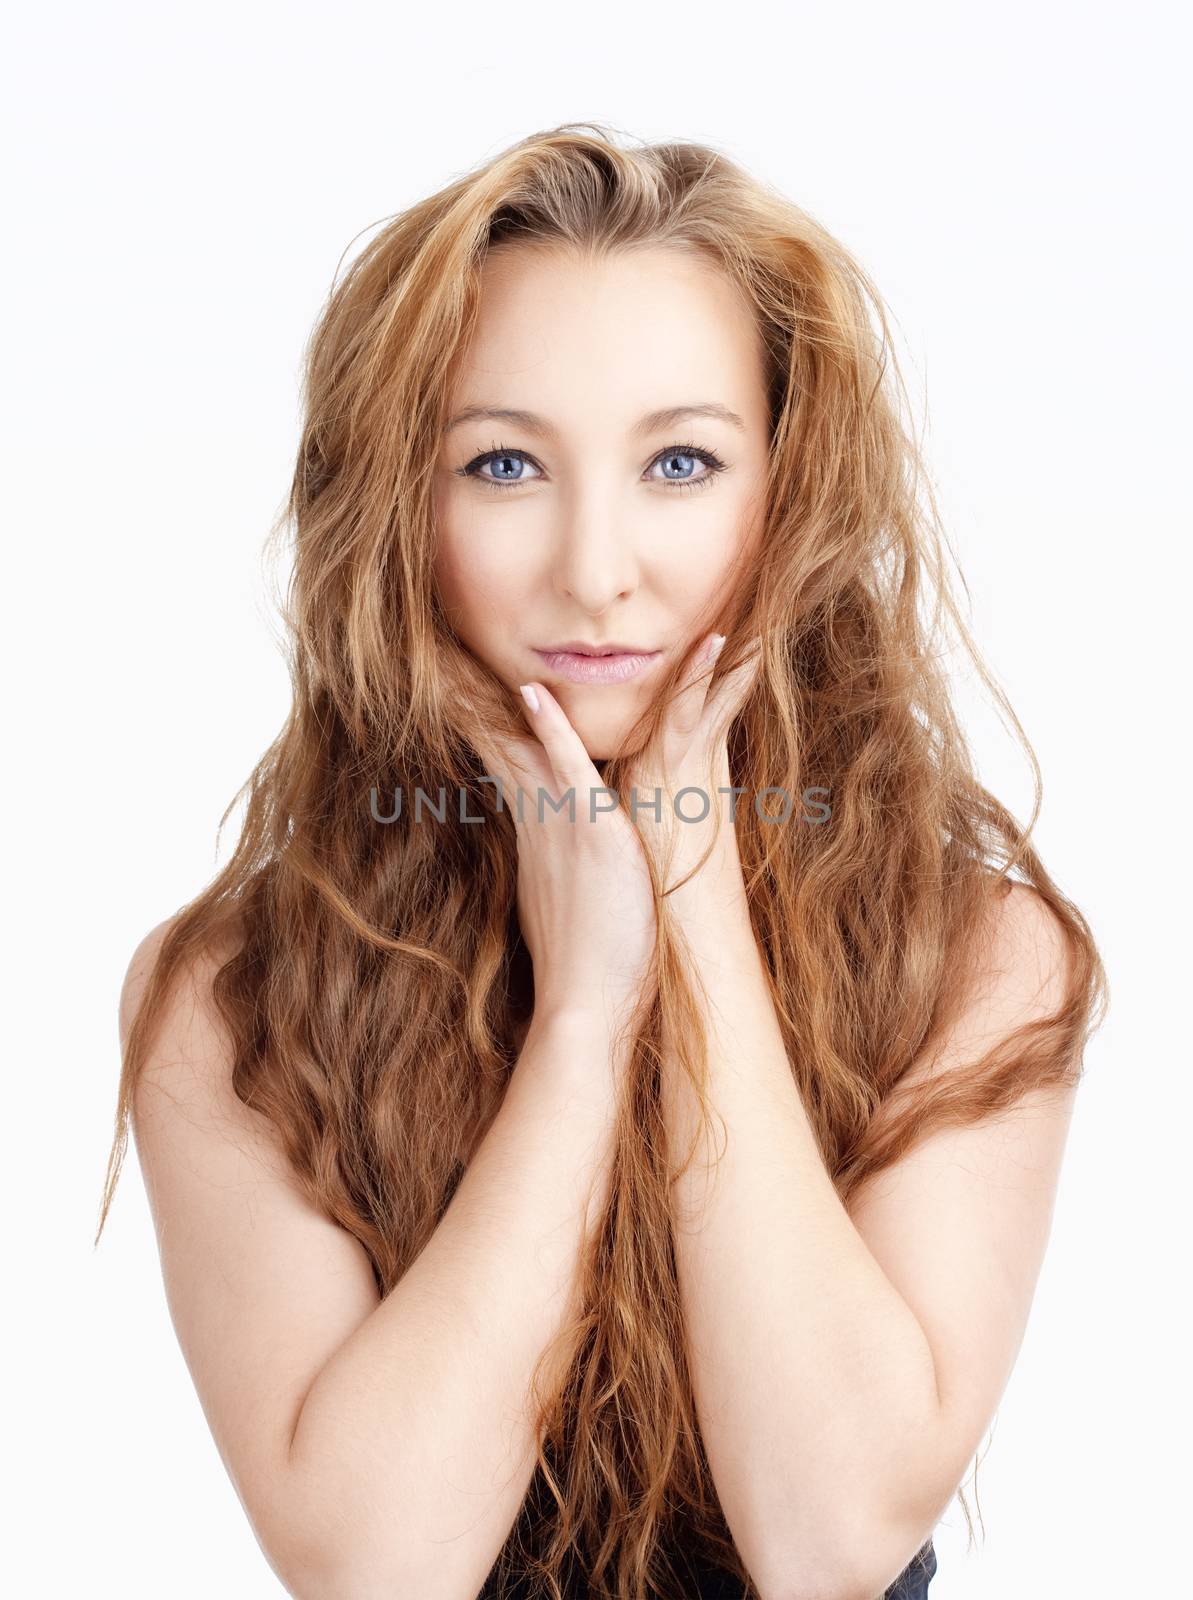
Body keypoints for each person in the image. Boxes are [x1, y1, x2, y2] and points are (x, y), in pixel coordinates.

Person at [95, 122, 1107, 1600]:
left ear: (792, 492)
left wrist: (687, 898)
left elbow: (827, 1542)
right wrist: (580, 1021)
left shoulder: (971, 954)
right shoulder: (237, 997)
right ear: (395, 507)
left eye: (680, 462)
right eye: (502, 463)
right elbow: (379, 1570)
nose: (593, 567)